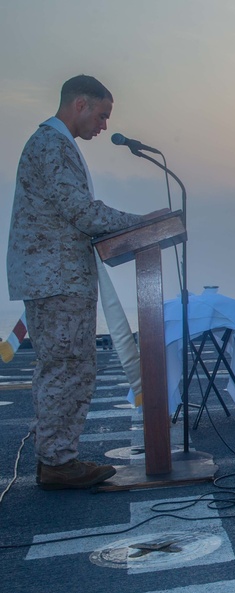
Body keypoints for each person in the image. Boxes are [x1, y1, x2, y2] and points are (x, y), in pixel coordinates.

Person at [6, 75, 163, 489]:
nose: (105, 125)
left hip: (58, 277)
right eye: (102, 114)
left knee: (71, 366)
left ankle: (59, 457)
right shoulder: (52, 145)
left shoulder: (55, 145)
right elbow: (83, 212)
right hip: (55, 279)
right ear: (80, 104)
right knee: (65, 368)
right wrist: (142, 223)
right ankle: (58, 462)